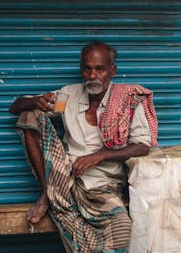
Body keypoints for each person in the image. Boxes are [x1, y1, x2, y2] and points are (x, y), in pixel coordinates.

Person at [9, 41, 158, 253]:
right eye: (87, 68)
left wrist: (100, 156)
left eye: (100, 69)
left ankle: (53, 201)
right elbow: (15, 107)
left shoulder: (127, 100)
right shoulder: (68, 97)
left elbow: (142, 146)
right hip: (65, 179)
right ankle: (47, 193)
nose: (92, 75)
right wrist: (35, 102)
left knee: (122, 231)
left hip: (102, 185)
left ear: (112, 71)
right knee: (29, 114)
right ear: (81, 70)